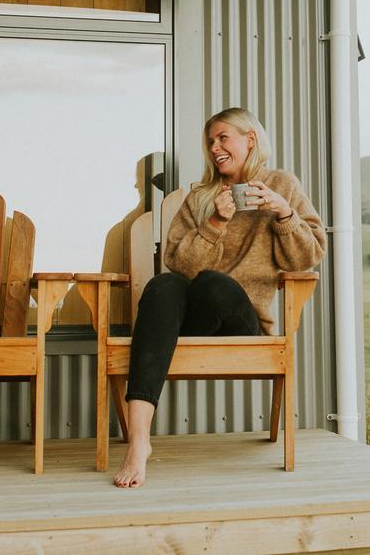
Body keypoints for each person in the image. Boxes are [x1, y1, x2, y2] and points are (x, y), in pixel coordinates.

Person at [112, 107, 327, 488]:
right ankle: (139, 440)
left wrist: (283, 213)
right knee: (162, 285)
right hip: (193, 321)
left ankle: (139, 439)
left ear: (250, 140)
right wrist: (215, 224)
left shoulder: (283, 185)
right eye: (210, 141)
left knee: (214, 283)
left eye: (223, 137)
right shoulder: (200, 198)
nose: (215, 147)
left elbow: (307, 258)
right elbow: (176, 263)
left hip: (244, 321)